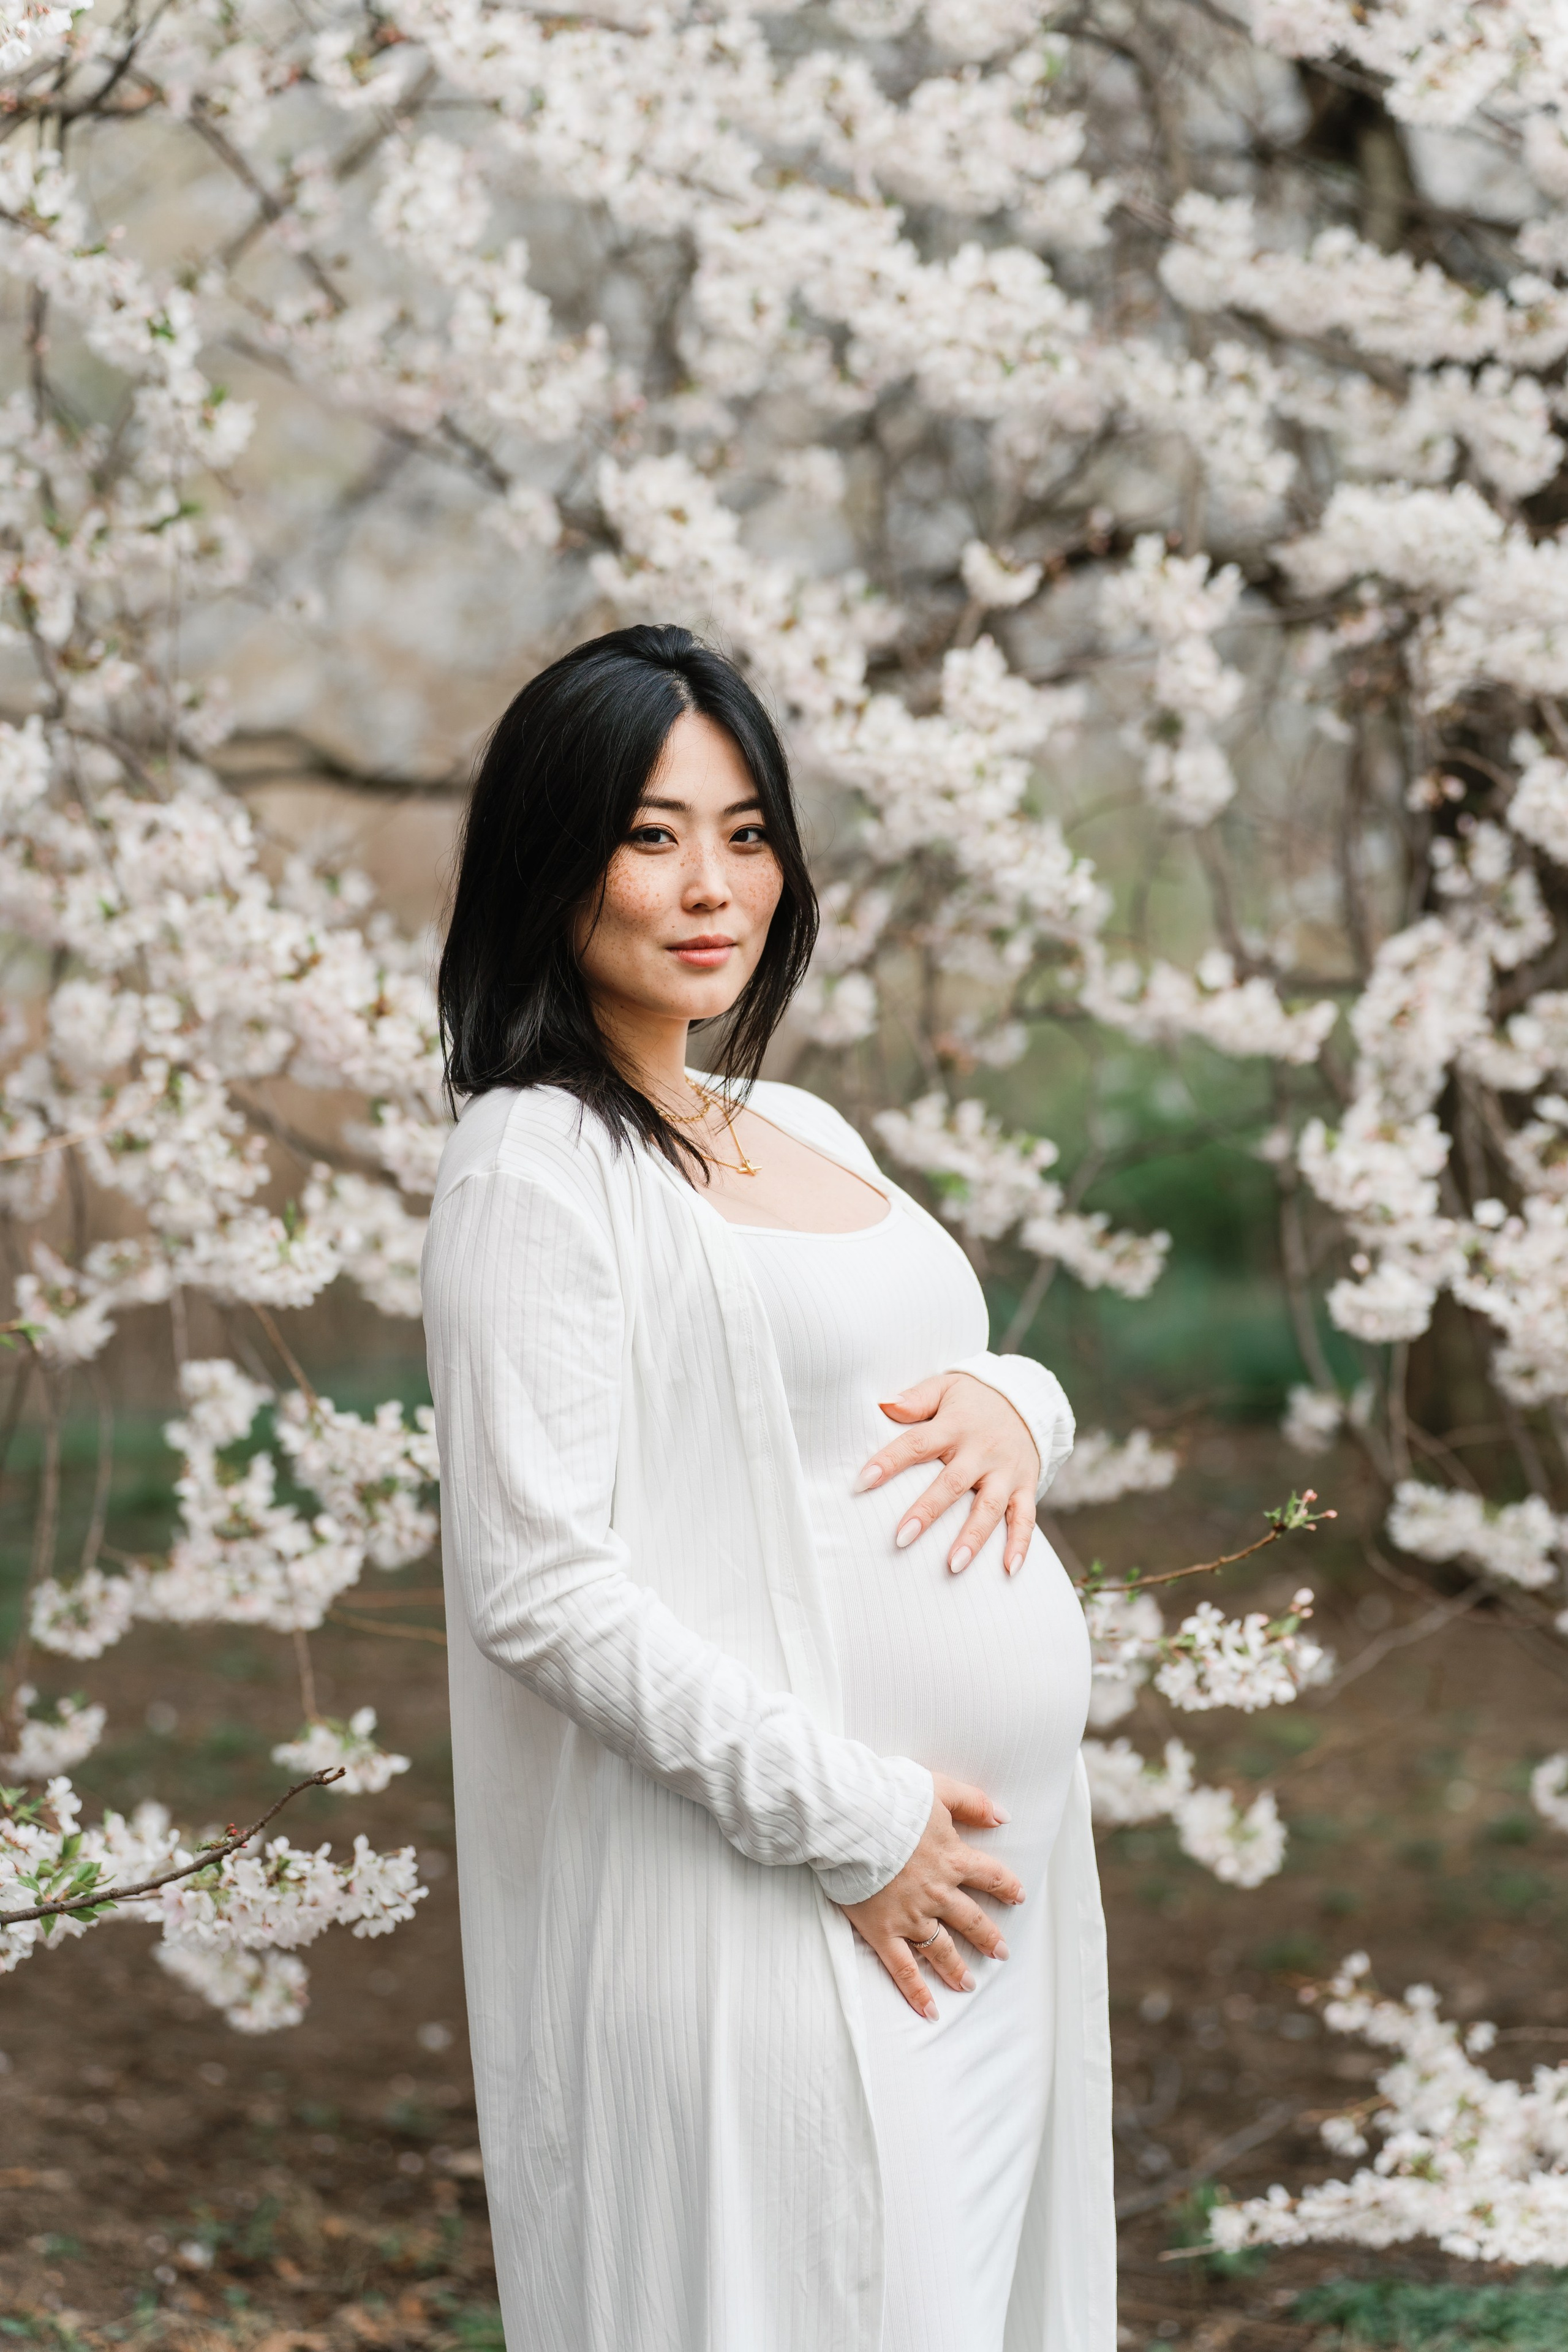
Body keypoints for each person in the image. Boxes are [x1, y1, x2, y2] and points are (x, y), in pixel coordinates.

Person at [421, 622, 1115, 2352]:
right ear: (547, 855)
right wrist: (854, 1824)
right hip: (779, 1892)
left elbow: (918, 1369)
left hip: (981, 1902)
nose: (711, 883)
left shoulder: (799, 1119)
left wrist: (1028, 1404)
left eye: (744, 830)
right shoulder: (537, 1166)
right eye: (650, 834)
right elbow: (537, 1584)